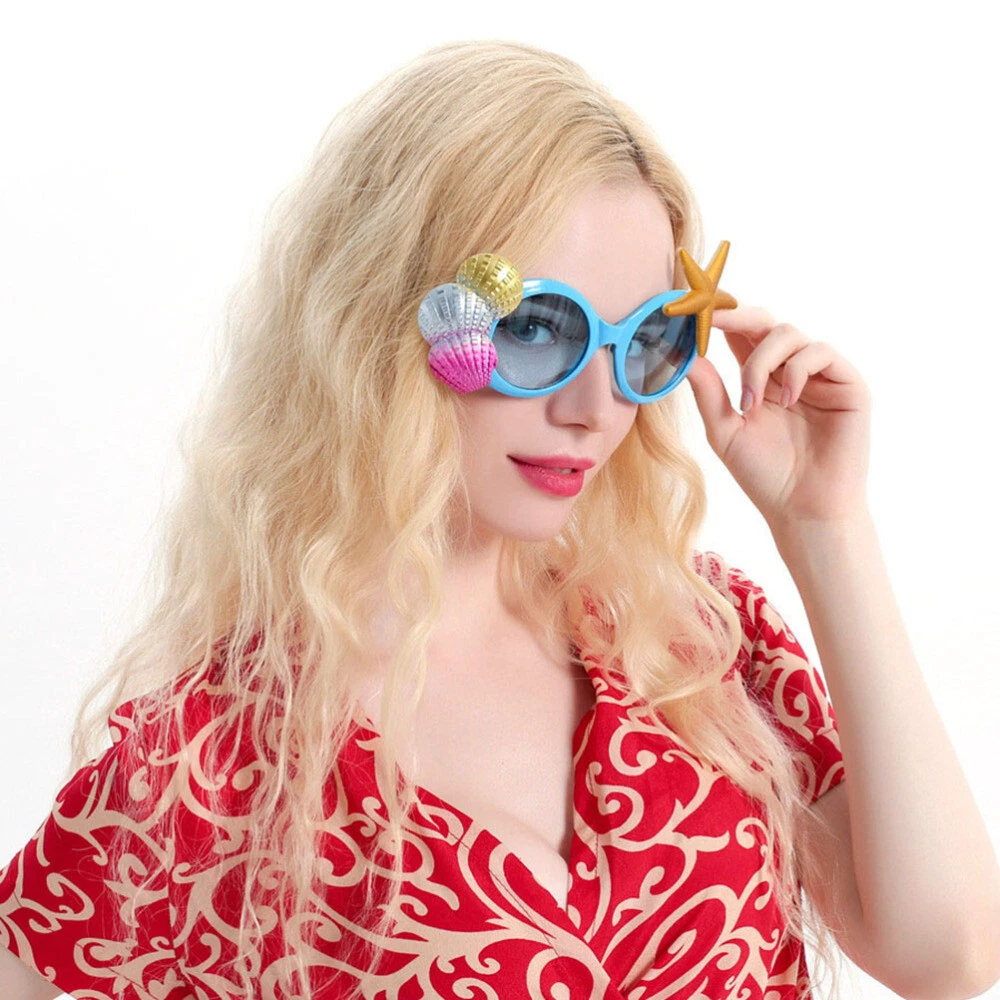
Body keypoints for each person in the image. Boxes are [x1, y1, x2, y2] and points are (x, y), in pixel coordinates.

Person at [2, 38, 999, 1000]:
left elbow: (950, 955)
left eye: (641, 340)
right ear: (375, 322)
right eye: (535, 329)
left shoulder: (696, 643)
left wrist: (825, 527)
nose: (594, 408)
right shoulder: (206, 763)